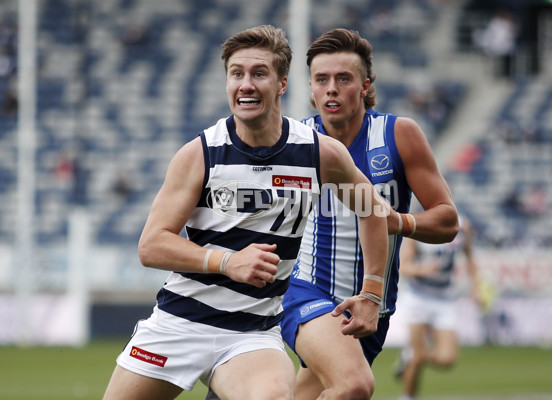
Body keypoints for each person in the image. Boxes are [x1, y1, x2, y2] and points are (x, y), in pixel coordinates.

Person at [102, 25, 389, 400]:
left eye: (259, 74)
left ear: (282, 83)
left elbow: (372, 211)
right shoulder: (200, 154)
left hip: (252, 335)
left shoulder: (319, 153)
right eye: (236, 74)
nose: (246, 84)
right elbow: (151, 246)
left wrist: (372, 292)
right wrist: (226, 261)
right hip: (179, 325)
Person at [280, 28, 459, 400]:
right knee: (354, 386)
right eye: (321, 79)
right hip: (307, 291)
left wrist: (399, 222)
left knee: (308, 394)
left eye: (343, 79)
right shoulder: (295, 142)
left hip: (373, 306)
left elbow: (447, 221)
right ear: (310, 88)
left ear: (365, 85)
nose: (331, 88)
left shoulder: (399, 136)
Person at [394, 214, 481, 400]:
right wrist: (422, 268)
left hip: (444, 298)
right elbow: (403, 266)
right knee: (416, 356)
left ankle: (409, 357)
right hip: (418, 296)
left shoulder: (463, 226)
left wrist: (476, 288)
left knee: (447, 359)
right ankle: (407, 396)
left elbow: (470, 258)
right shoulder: (418, 223)